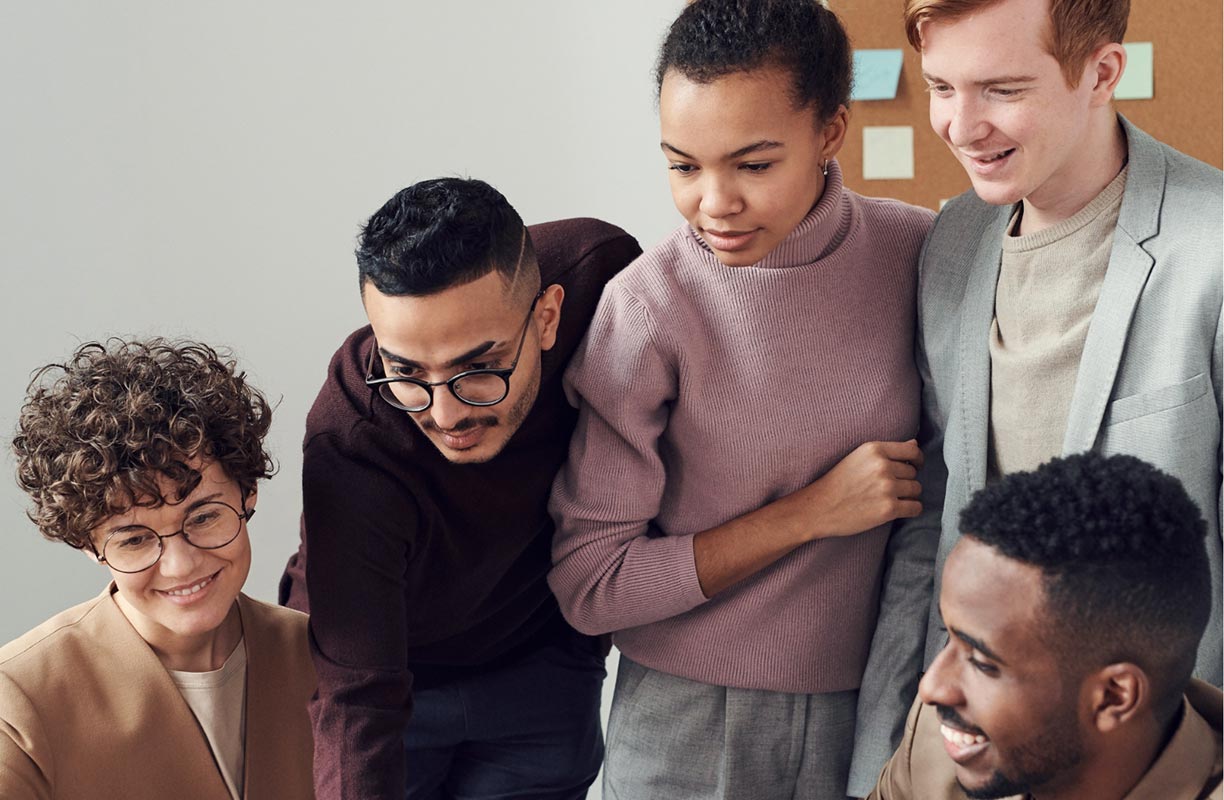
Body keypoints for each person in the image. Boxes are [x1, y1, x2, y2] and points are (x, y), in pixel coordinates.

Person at [547, 1, 938, 797]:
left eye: (753, 165)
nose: (714, 202)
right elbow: (591, 583)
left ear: (830, 131)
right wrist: (813, 512)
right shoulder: (648, 306)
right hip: (685, 725)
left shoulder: (922, 253)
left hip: (881, 704)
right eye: (683, 166)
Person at [278, 177, 640, 799]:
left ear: (547, 317)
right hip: (379, 683)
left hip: (538, 668)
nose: (445, 416)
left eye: (478, 367)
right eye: (406, 371)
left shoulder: (605, 278)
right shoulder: (353, 439)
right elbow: (356, 697)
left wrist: (582, 647)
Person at [902, 0, 1223, 686]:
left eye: (1002, 90)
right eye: (941, 87)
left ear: (1102, 73)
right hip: (966, 718)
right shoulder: (952, 240)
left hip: (1158, 730)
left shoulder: (1213, 250)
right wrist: (891, 735)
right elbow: (931, 515)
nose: (962, 126)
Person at [2, 339, 315, 800]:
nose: (180, 564)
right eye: (134, 539)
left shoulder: (322, 658)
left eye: (204, 517)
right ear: (86, 543)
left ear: (248, 492)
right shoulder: (18, 703)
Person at [870, 451, 1223, 800]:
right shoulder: (938, 744)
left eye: (981, 662)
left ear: (1113, 696)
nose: (930, 688)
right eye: (949, 636)